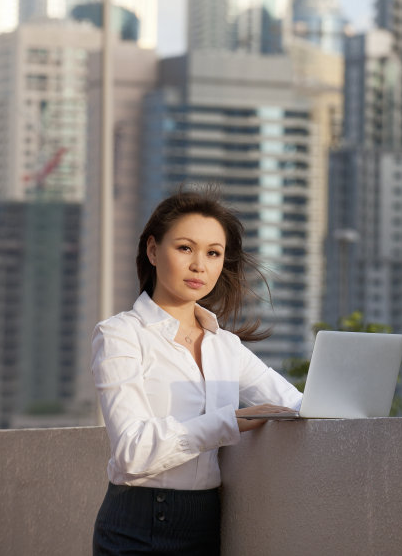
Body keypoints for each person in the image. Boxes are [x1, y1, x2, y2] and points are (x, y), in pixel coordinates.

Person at [91, 189, 302, 555]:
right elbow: (131, 451)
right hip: (136, 525)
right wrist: (230, 421)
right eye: (185, 248)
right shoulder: (120, 334)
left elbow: (293, 404)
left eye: (213, 253)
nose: (199, 265)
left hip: (205, 521)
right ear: (153, 251)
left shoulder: (226, 346)